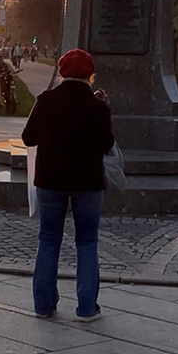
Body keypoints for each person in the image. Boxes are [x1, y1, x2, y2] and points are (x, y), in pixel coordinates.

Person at [21, 48, 115, 322]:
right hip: (88, 182)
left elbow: (28, 138)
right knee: (87, 243)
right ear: (90, 75)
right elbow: (107, 144)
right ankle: (87, 307)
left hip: (50, 180)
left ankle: (44, 304)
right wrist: (105, 109)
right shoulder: (97, 106)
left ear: (61, 73)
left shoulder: (46, 100)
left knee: (49, 240)